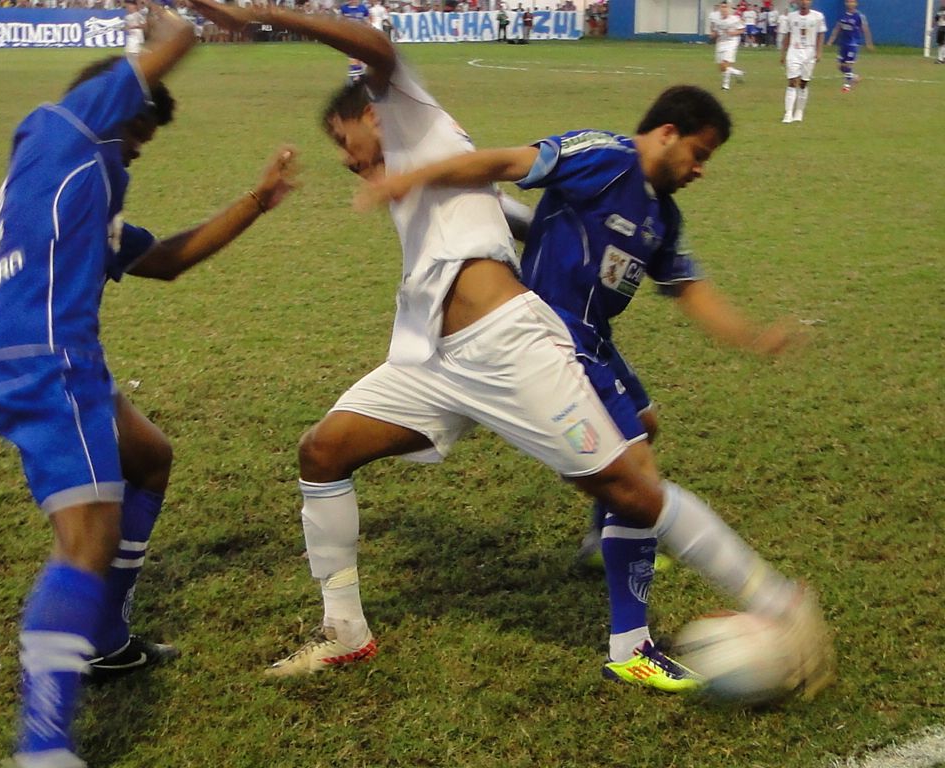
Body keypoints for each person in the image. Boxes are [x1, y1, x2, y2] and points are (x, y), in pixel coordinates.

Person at [188, 0, 834, 697]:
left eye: (345, 141)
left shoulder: (410, 115)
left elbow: (374, 44)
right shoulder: (424, 168)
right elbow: (510, 213)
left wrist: (255, 13)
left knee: (627, 486)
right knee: (322, 451)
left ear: (373, 113)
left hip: (508, 346)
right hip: (434, 359)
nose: (346, 160)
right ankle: (345, 630)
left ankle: (776, 601)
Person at [357, 85, 835, 694]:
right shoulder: (603, 157)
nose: (700, 170)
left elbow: (689, 289)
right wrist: (412, 178)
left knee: (645, 425)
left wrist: (752, 337)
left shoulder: (662, 214)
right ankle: (632, 644)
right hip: (548, 333)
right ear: (666, 133)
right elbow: (506, 163)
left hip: (594, 338)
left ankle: (601, 538)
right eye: (699, 152)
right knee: (637, 476)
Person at [0, 11, 297, 767]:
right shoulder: (69, 127)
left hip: (25, 348)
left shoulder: (79, 184)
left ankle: (104, 640)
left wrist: (255, 200)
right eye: (135, 138)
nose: (135, 155)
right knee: (86, 538)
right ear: (112, 105)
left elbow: (167, 260)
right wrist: (208, 14)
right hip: (48, 356)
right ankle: (43, 746)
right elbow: (174, 40)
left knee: (147, 457)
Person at [780, 0, 825, 123]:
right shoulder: (791, 17)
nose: (804, 3)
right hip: (794, 51)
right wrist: (783, 54)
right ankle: (788, 113)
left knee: (803, 83)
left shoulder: (818, 17)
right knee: (792, 81)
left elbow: (821, 34)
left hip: (809, 52)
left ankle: (799, 111)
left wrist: (819, 52)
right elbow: (787, 36)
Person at [826, 0, 873, 92]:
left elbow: (865, 30)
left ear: (856, 4)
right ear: (845, 3)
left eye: (852, 2)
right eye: (848, 2)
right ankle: (854, 77)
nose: (850, 4)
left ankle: (846, 86)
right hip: (843, 44)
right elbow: (837, 29)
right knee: (840, 66)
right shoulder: (843, 16)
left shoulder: (859, 16)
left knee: (848, 65)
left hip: (853, 44)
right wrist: (830, 41)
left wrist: (868, 43)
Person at [711, 1, 745, 91]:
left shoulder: (735, 19)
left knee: (725, 62)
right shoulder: (716, 19)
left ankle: (725, 86)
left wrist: (734, 33)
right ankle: (737, 73)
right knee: (722, 67)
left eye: (725, 7)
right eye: (722, 7)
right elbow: (714, 30)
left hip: (732, 42)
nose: (723, 9)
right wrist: (713, 34)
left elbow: (742, 29)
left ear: (729, 9)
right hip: (721, 42)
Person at [339, 0, 371, 81]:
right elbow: (340, 21)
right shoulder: (344, 8)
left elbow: (367, 20)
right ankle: (355, 75)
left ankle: (357, 73)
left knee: (360, 56)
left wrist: (368, 28)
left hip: (361, 34)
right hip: (349, 35)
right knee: (353, 55)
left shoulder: (363, 8)